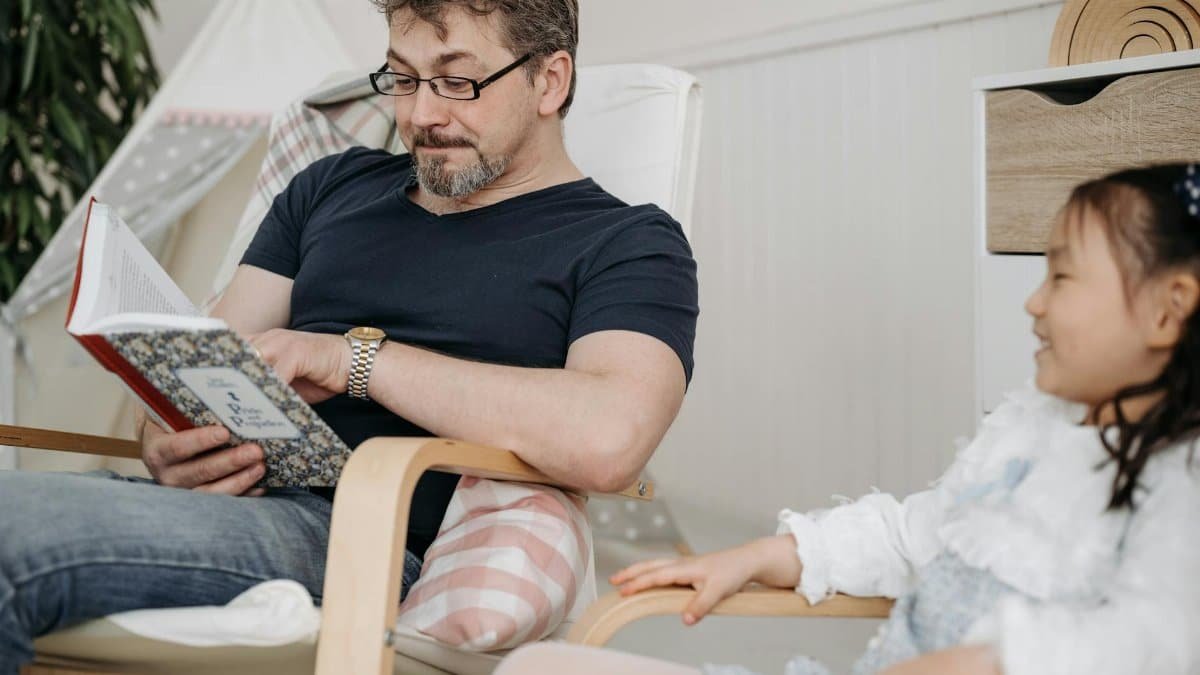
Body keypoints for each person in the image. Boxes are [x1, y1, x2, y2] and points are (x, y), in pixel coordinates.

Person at [0, 1, 698, 671]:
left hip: (368, 535)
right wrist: (169, 439)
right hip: (226, 508)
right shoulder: (330, 187)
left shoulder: (627, 242)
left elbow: (611, 436)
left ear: (551, 79)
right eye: (402, 77)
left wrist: (350, 360)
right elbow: (208, 361)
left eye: (457, 80)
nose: (420, 114)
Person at [497, 164, 1200, 674]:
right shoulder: (1029, 431)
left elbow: (1158, 640)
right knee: (536, 667)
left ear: (1169, 308)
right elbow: (911, 535)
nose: (1034, 303)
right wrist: (760, 556)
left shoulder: (1183, 482)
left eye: (1063, 277)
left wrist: (984, 662)